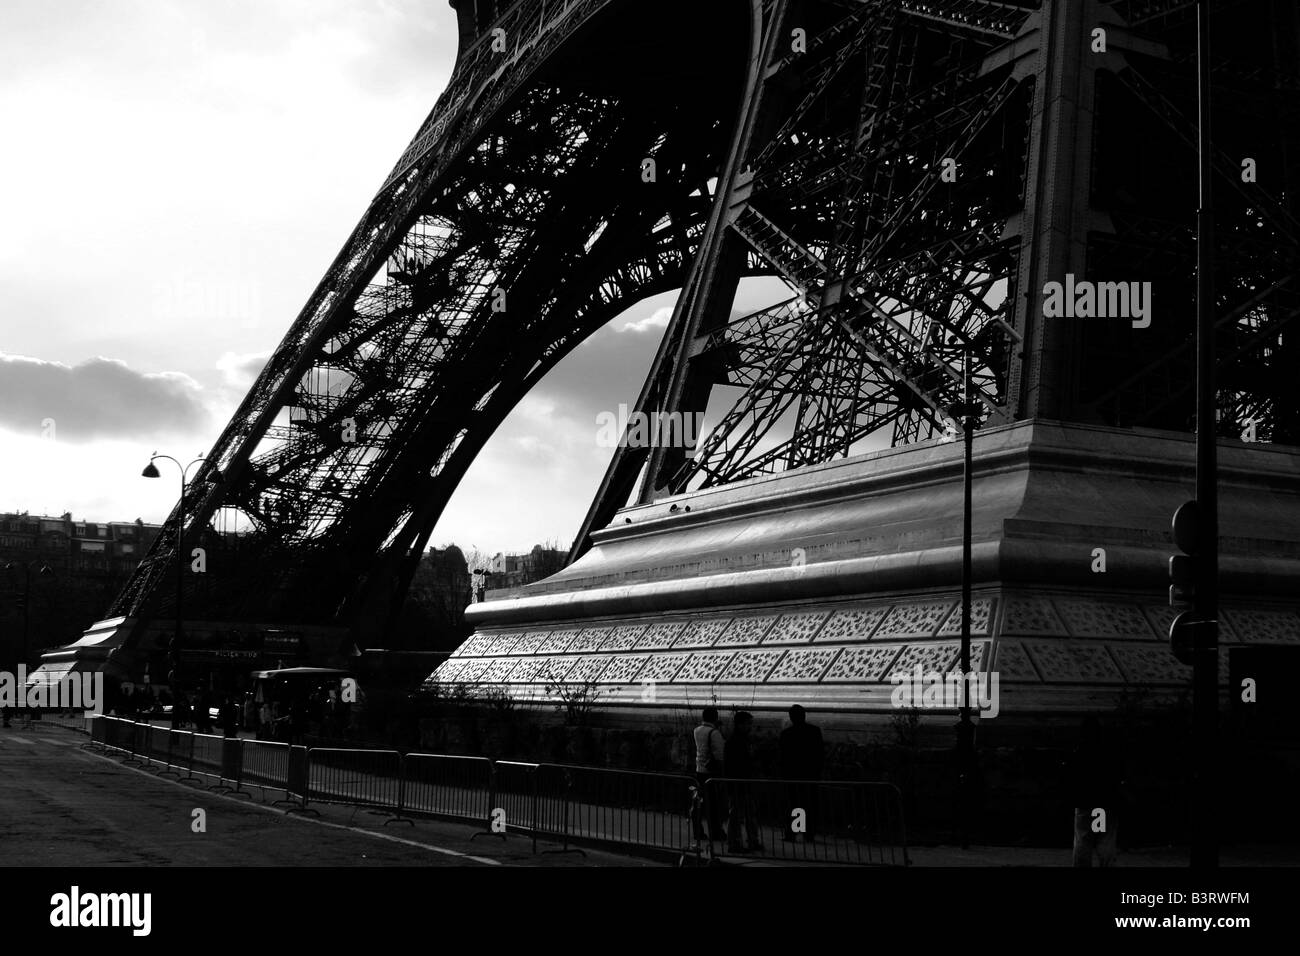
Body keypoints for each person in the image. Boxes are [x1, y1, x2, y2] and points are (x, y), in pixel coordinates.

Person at [1069, 716, 1125, 867]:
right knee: (1105, 839)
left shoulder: (1078, 752)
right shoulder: (1108, 753)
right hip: (1106, 802)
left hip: (1085, 802)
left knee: (1083, 840)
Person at [779, 704, 824, 842]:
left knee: (794, 804)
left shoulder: (786, 734)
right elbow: (819, 753)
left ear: (791, 718)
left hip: (792, 775)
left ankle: (794, 832)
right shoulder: (814, 731)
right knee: (809, 804)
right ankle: (808, 834)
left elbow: (782, 757)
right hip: (810, 775)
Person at [725, 711, 762, 853]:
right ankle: (737, 842)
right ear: (740, 724)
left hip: (743, 783)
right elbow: (734, 765)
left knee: (745, 814)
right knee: (739, 815)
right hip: (739, 783)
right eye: (748, 724)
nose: (750, 726)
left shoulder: (740, 740)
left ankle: (746, 841)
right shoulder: (737, 741)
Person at [691, 706, 727, 847]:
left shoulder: (697, 730)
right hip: (711, 773)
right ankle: (716, 831)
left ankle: (697, 830)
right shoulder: (714, 733)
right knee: (714, 804)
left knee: (698, 802)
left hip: (699, 770)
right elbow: (719, 755)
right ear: (715, 717)